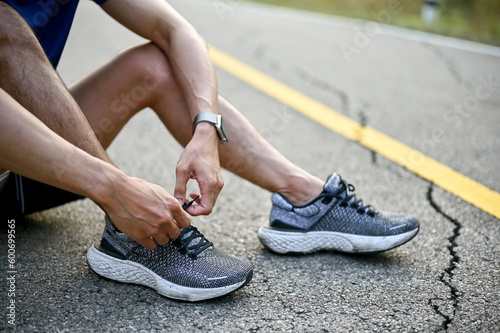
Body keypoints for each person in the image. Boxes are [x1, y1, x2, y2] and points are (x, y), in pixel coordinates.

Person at [0, 0, 419, 302]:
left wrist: (206, 128)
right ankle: (127, 224)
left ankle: (303, 200)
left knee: (155, 66)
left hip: (32, 167)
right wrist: (114, 187)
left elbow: (178, 31)